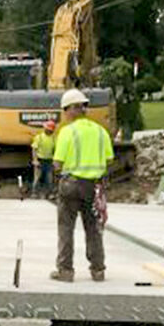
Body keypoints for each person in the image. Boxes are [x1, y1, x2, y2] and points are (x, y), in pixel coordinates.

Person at [50, 89, 113, 283]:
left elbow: (58, 163)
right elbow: (109, 159)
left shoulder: (67, 132)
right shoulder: (101, 131)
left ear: (70, 109)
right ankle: (98, 270)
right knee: (94, 228)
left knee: (66, 228)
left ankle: (65, 271)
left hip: (71, 185)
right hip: (94, 187)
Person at [31, 120, 57, 197]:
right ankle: (34, 193)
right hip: (40, 160)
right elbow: (34, 149)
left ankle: (50, 193)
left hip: (49, 160)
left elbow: (55, 150)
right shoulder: (39, 137)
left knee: (49, 178)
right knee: (37, 177)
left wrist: (55, 160)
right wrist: (35, 160)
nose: (50, 131)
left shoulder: (53, 138)